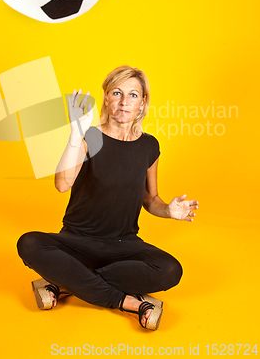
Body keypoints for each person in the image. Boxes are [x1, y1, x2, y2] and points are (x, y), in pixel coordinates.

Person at [17, 65, 199, 330]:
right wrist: (75, 135)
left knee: (171, 270)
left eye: (133, 95)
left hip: (123, 246)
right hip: (76, 243)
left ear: (143, 102)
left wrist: (168, 210)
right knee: (29, 243)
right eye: (117, 92)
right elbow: (62, 184)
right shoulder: (89, 137)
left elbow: (151, 200)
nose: (124, 102)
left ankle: (66, 282)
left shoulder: (150, 146)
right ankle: (131, 303)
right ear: (106, 97)